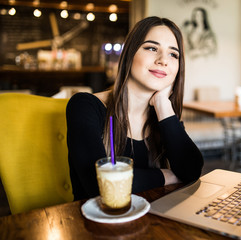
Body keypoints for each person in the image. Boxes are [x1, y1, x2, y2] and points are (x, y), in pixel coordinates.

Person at [66, 16, 204, 201]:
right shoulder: (85, 106)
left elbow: (192, 170)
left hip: (152, 221)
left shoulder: (163, 116)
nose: (164, 60)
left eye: (173, 54)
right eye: (152, 48)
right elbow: (101, 184)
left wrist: (163, 104)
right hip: (95, 224)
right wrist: (169, 175)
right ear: (130, 54)